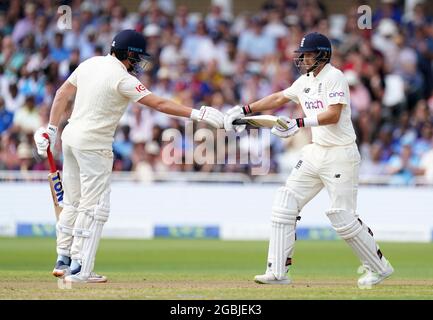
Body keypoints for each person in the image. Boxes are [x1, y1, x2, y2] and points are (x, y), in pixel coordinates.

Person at [34, 29, 224, 283]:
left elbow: (61, 94)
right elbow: (159, 104)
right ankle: (80, 268)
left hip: (69, 139)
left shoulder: (89, 63)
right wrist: (197, 114)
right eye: (138, 58)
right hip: (94, 146)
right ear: (129, 55)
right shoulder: (122, 79)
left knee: (72, 202)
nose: (139, 63)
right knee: (93, 207)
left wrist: (52, 130)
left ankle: (63, 259)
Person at [224, 32, 394, 287]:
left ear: (323, 55)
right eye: (302, 54)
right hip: (316, 151)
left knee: (342, 217)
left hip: (341, 154)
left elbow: (333, 115)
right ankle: (278, 273)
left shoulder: (335, 77)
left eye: (308, 54)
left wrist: (299, 122)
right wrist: (245, 110)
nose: (303, 58)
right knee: (285, 201)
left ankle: (379, 268)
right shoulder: (304, 81)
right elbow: (279, 97)